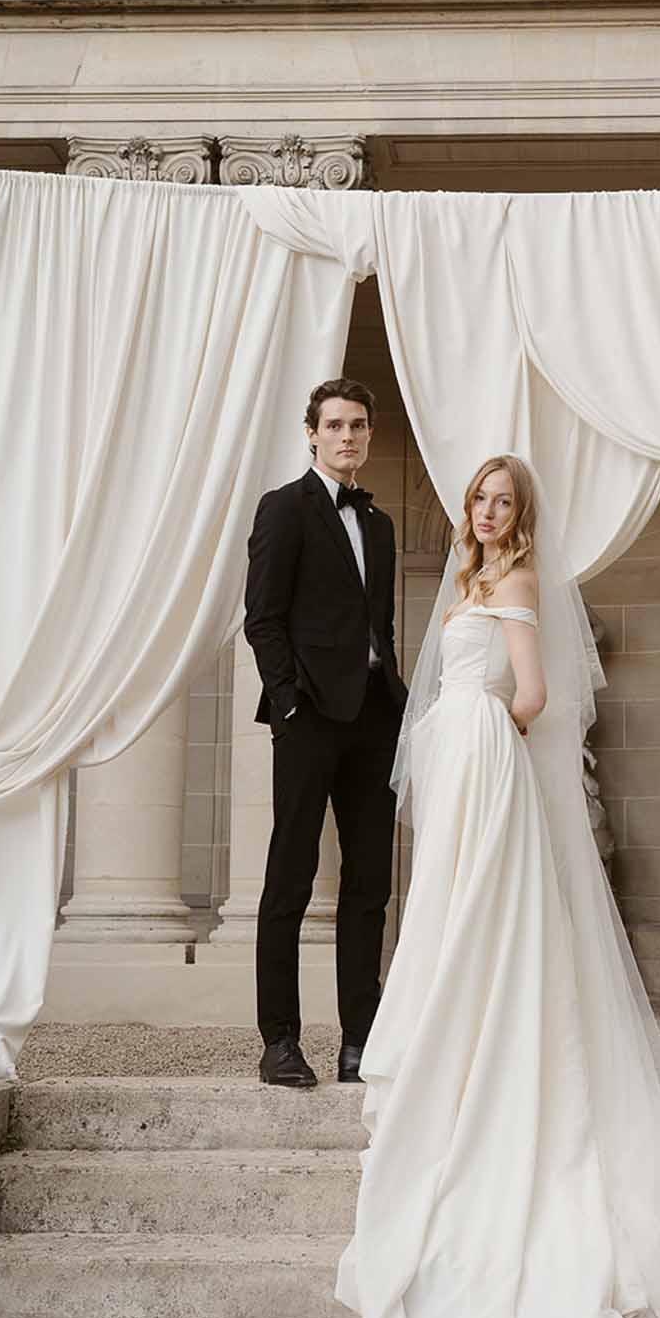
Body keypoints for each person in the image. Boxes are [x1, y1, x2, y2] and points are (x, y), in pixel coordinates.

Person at [335, 453, 660, 1318]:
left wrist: (481, 730)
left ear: (521, 514)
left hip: (488, 759)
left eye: (504, 501)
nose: (490, 510)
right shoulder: (472, 577)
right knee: (449, 917)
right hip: (462, 766)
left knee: (483, 925)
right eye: (481, 498)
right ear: (468, 507)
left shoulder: (519, 580)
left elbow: (534, 694)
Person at [243, 379, 407, 1091]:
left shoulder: (379, 525)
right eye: (335, 425)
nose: (347, 436)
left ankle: (359, 1041)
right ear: (312, 433)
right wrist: (288, 704)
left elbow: (381, 630)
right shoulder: (285, 509)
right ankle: (280, 1039)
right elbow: (262, 618)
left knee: (370, 884)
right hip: (308, 718)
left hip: (374, 719)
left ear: (369, 436)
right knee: (291, 875)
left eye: (359, 425)